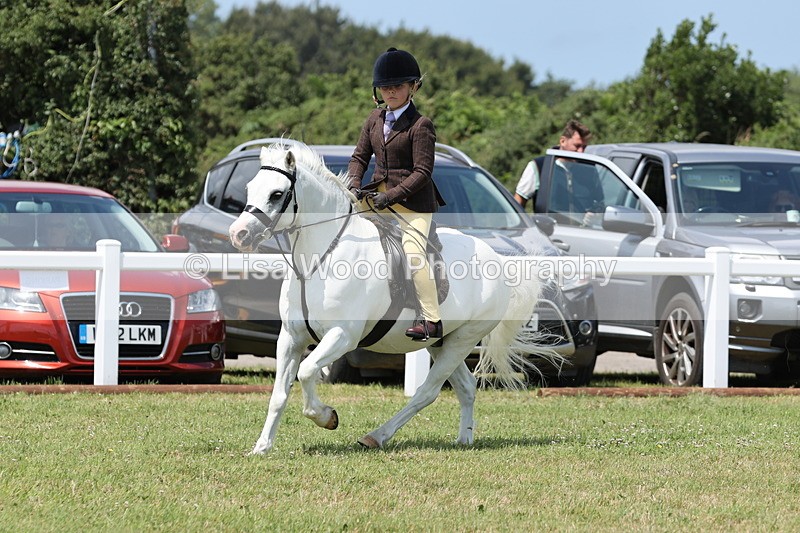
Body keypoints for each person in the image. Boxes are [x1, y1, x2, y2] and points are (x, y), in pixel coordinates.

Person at [347, 47, 446, 341]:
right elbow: (359, 157)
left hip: (413, 204)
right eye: (385, 87)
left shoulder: (421, 125)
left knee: (414, 254)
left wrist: (389, 198)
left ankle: (431, 320)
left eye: (397, 86)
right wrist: (353, 183)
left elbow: (422, 172)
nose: (390, 92)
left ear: (413, 87)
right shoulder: (374, 119)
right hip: (377, 195)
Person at [514, 119, 592, 209]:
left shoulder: (588, 169)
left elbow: (598, 205)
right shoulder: (540, 166)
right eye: (577, 146)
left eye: (584, 147)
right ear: (562, 141)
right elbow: (518, 201)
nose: (581, 152)